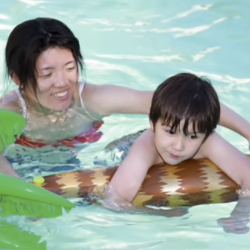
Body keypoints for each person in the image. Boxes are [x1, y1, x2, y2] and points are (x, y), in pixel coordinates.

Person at [1, 17, 250, 179]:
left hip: (90, 160)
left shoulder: (91, 99)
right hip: (27, 167)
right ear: (19, 78)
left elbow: (186, 103)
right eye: (47, 73)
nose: (63, 82)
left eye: (69, 67)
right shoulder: (10, 113)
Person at [106, 73, 250, 233]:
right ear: (152, 123)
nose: (179, 146)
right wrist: (161, 214)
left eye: (192, 136)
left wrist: (240, 215)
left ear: (207, 133)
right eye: (170, 132)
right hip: (124, 148)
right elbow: (114, 201)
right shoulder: (145, 148)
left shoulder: (208, 141)